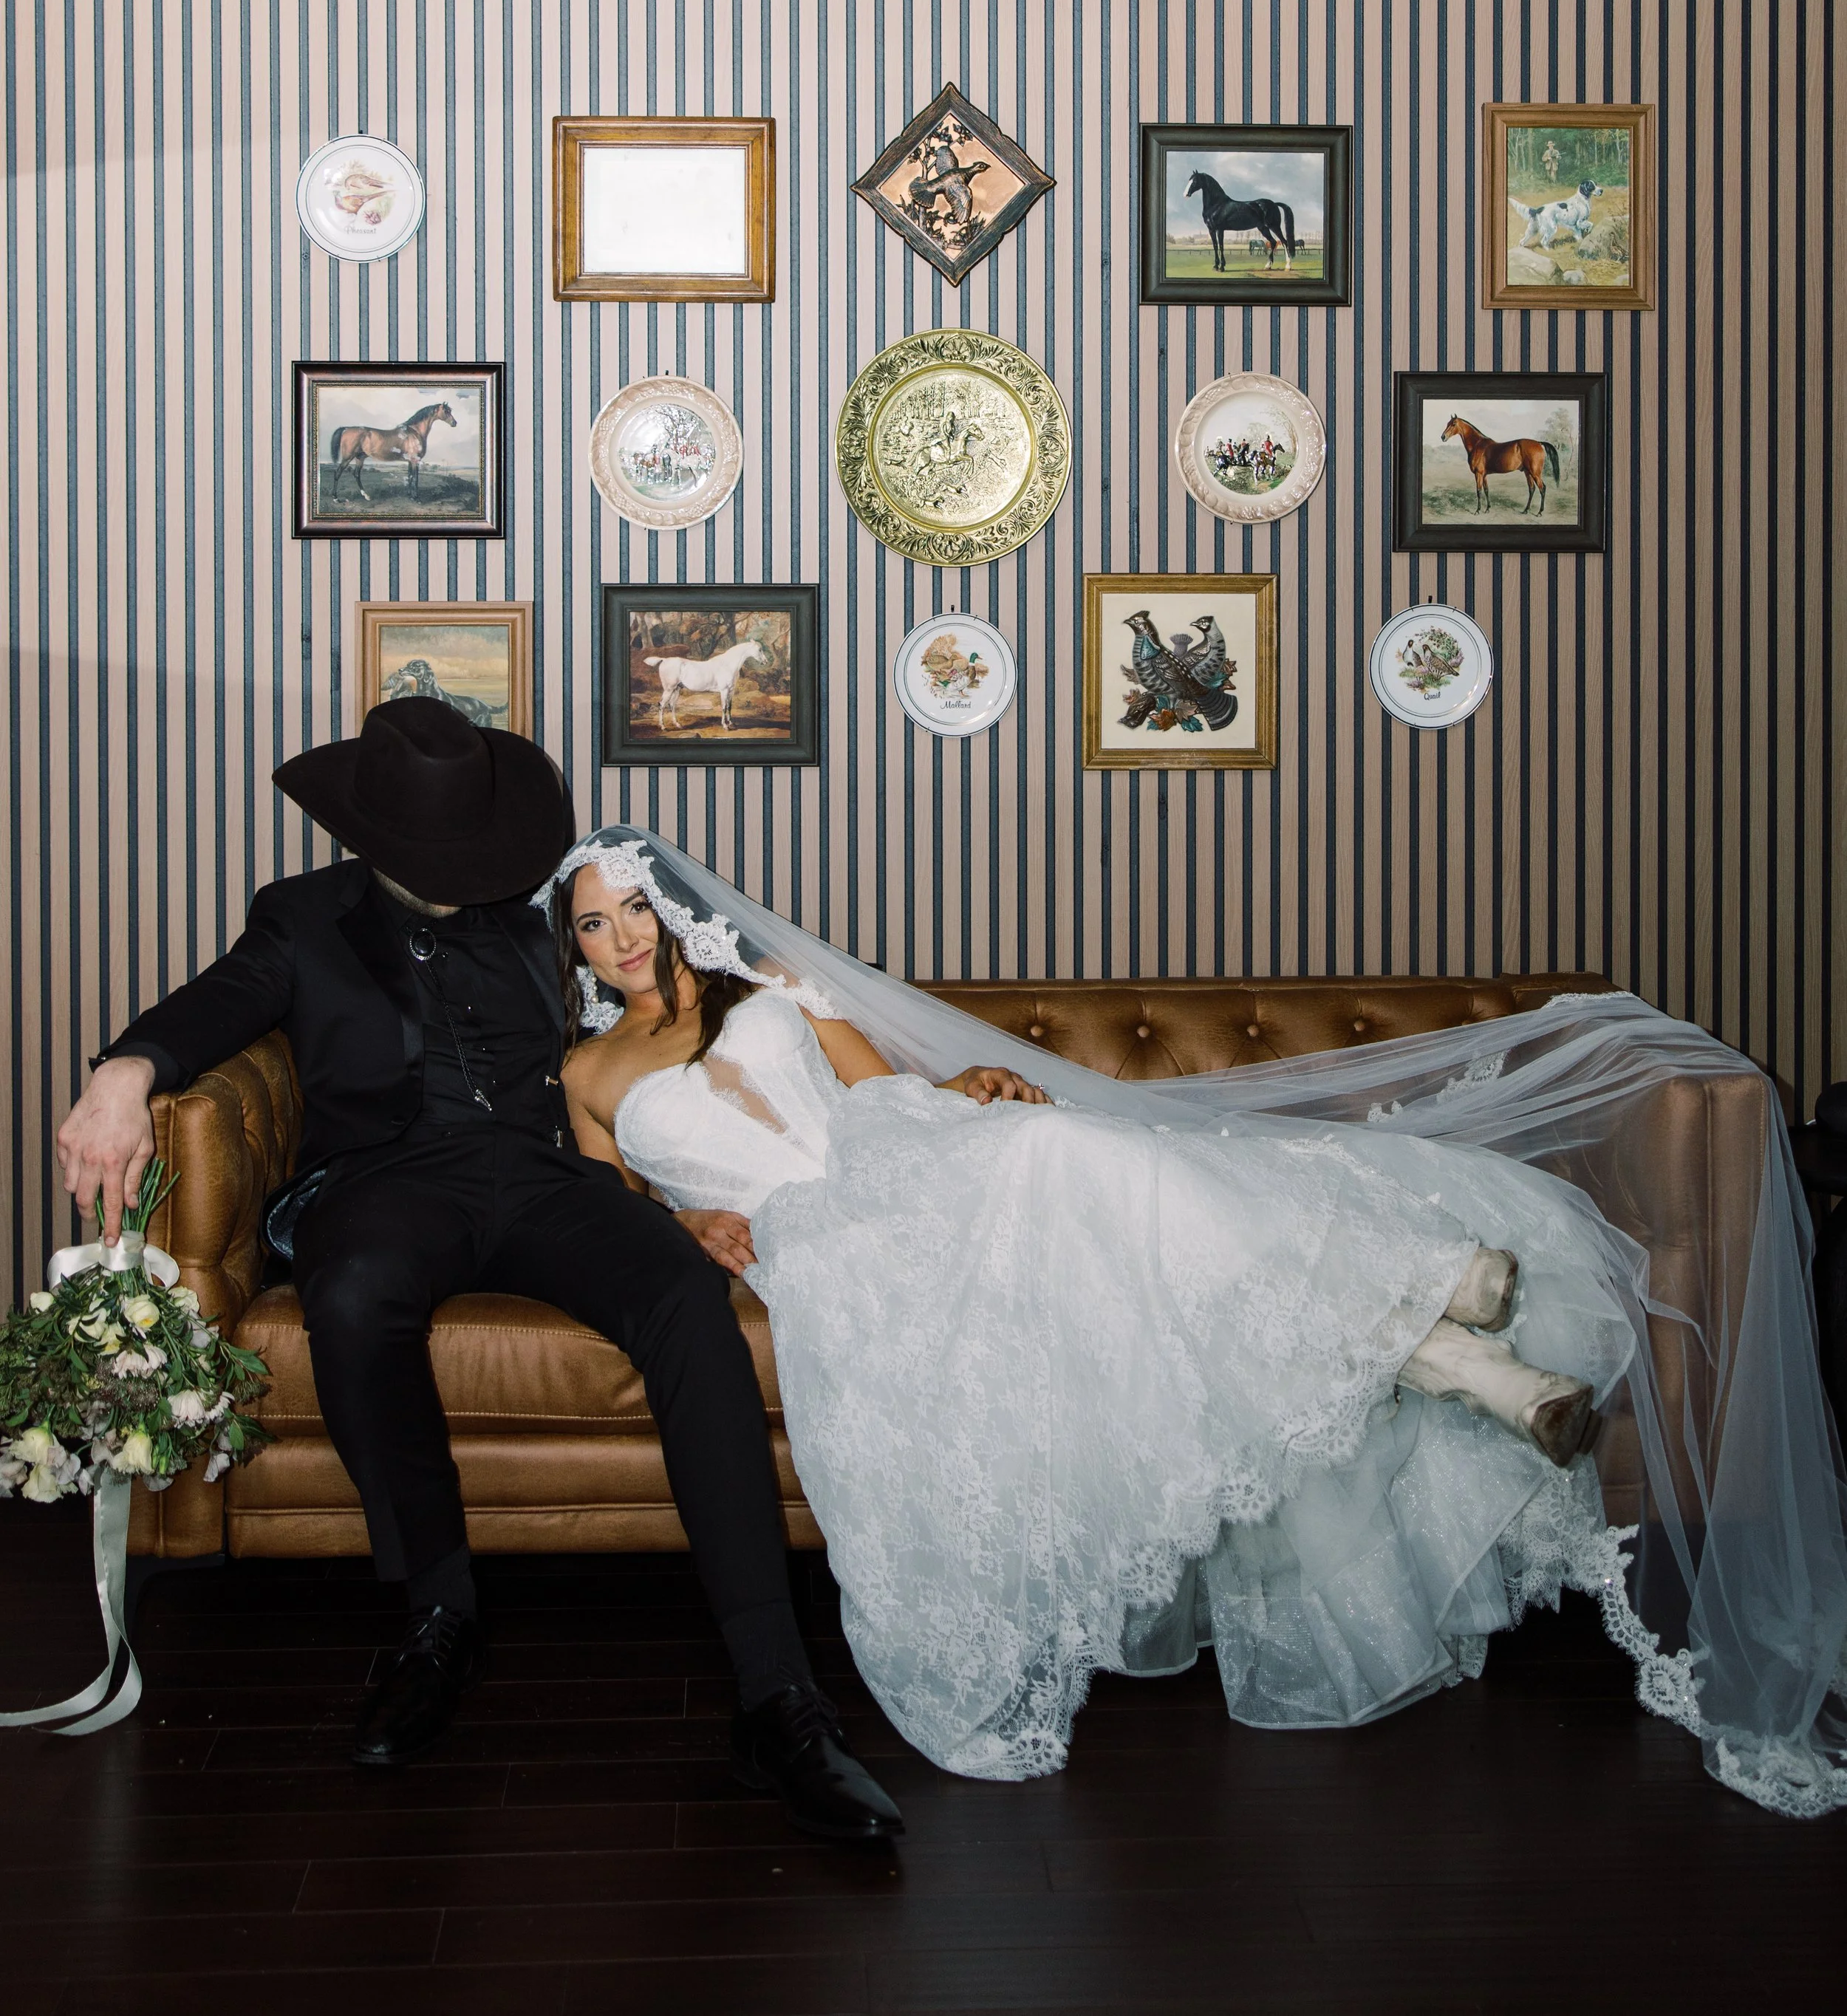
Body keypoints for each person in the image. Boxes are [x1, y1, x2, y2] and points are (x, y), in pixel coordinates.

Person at [541, 823, 1847, 1817]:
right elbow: (602, 1210)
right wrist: (680, 1226)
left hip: (904, 1160)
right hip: (817, 1240)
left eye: (634, 909)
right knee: (1075, 1186)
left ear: (673, 904)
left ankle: (1450, 1344)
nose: (625, 938)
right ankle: (1441, 1332)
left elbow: (890, 1097)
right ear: (576, 952)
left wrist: (975, 1083)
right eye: (594, 928)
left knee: (1064, 1158)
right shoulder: (588, 1078)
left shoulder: (777, 994)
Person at [53, 702, 903, 1843]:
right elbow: (220, 1005)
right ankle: (436, 1614)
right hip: (387, 1184)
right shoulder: (301, 919)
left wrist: (694, 1196)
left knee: (683, 1296)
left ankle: (777, 1696)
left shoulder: (538, 911)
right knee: (354, 1291)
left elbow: (666, 1012)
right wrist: (125, 1070)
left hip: (548, 1179)